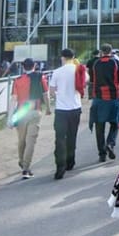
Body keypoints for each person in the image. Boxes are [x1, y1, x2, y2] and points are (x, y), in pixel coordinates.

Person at [9, 58, 50, 179]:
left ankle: (22, 161)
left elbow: (13, 100)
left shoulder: (17, 80)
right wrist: (48, 108)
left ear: (23, 67)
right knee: (31, 140)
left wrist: (10, 117)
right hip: (34, 110)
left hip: (21, 112)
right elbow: (45, 94)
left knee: (22, 140)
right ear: (35, 65)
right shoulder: (40, 76)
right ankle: (26, 168)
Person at [49, 48, 85, 180]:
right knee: (72, 135)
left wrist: (57, 95)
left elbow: (52, 91)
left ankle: (60, 166)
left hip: (61, 109)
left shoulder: (57, 72)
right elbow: (84, 82)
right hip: (75, 107)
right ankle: (71, 161)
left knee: (60, 138)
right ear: (74, 57)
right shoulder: (79, 69)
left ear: (62, 57)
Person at [88, 44, 119, 161]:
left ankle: (102, 154)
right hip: (113, 97)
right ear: (111, 51)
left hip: (98, 98)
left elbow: (92, 81)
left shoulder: (95, 64)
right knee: (115, 123)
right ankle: (110, 143)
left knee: (99, 127)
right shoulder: (116, 63)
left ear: (101, 52)